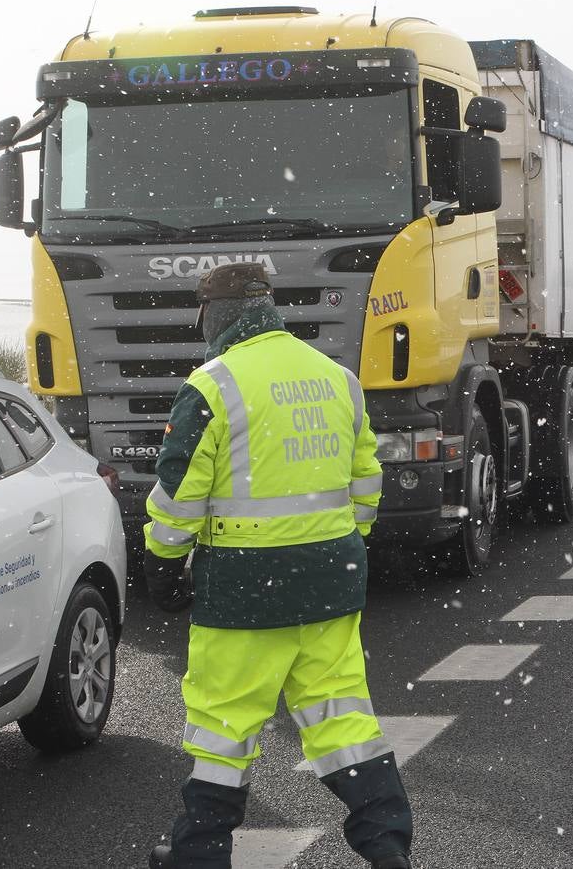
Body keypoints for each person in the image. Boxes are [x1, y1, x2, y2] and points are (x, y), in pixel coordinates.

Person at [142, 262, 413, 869]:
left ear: (215, 316)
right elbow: (366, 479)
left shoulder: (213, 385)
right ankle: (386, 843)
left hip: (243, 586)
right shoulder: (335, 377)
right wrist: (336, 545)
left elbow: (180, 491)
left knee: (224, 727)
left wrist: (162, 560)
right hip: (331, 581)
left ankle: (200, 853)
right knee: (341, 716)